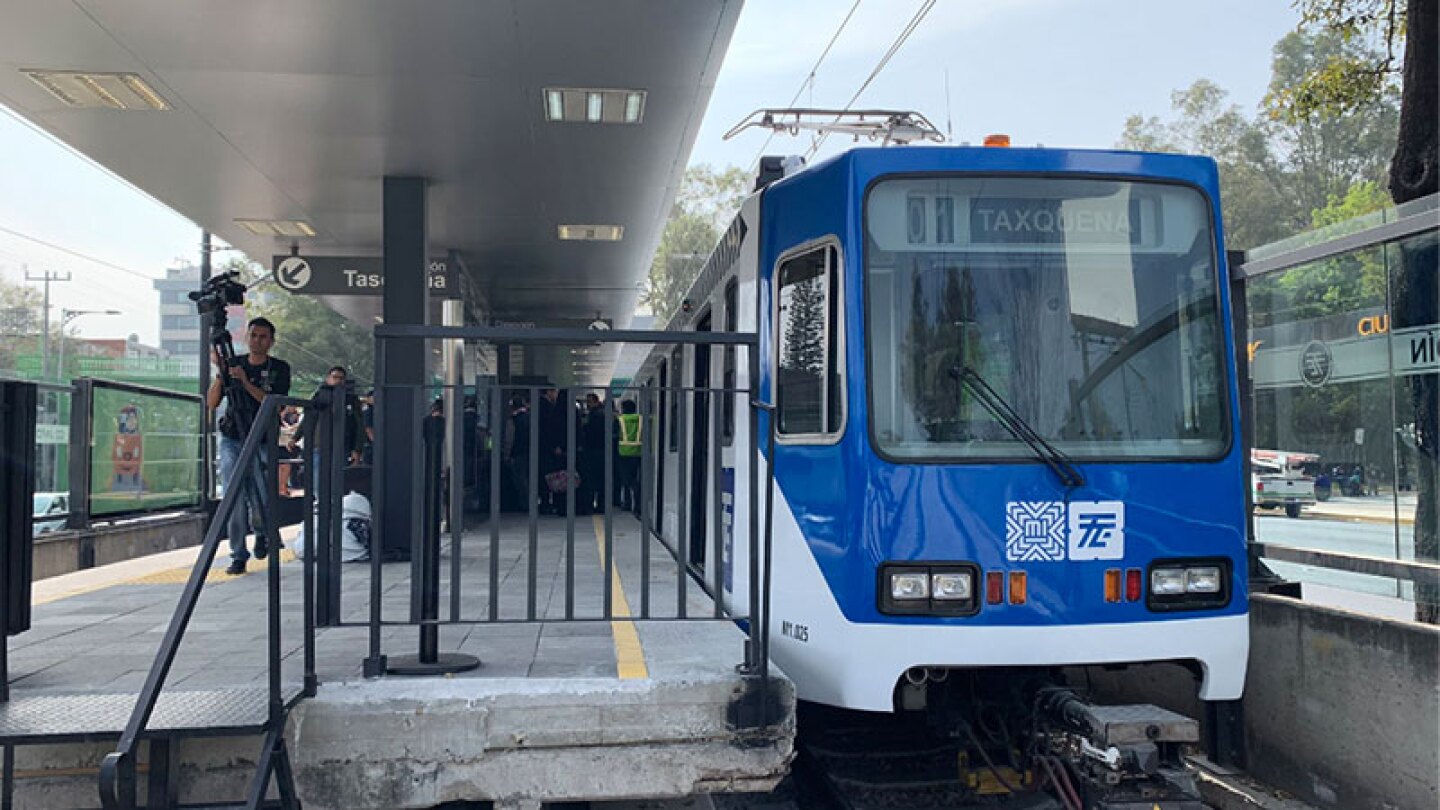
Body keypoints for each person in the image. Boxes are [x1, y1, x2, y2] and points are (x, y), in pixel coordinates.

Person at [207, 317, 291, 576]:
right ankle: (237, 554)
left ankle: (264, 533)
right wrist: (222, 376)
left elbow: (274, 402)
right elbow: (211, 402)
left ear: (271, 341)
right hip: (233, 436)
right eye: (253, 335)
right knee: (234, 496)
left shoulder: (279, 368)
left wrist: (245, 382)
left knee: (262, 496)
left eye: (263, 337)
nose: (258, 341)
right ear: (247, 337)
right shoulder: (234, 365)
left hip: (262, 437)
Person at [290, 366, 365, 492]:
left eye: (341, 378)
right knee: (318, 480)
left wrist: (357, 449)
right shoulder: (319, 396)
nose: (338, 381)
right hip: (319, 445)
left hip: (342, 446)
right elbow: (309, 419)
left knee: (338, 481)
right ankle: (318, 506)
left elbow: (359, 425)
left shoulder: (351, 399)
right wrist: (295, 437)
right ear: (328, 379)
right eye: (335, 377)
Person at [577, 392, 607, 514]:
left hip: (593, 451)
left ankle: (589, 505)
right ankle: (601, 505)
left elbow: (589, 433)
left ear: (595, 401)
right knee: (600, 480)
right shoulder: (603, 414)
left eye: (589, 402)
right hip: (601, 451)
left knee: (590, 479)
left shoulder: (594, 416)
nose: (587, 404)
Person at [616, 399, 642, 515]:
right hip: (637, 453)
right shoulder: (640, 419)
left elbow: (615, 434)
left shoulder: (620, 420)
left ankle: (627, 503)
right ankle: (637, 504)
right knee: (634, 479)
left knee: (625, 480)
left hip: (623, 453)